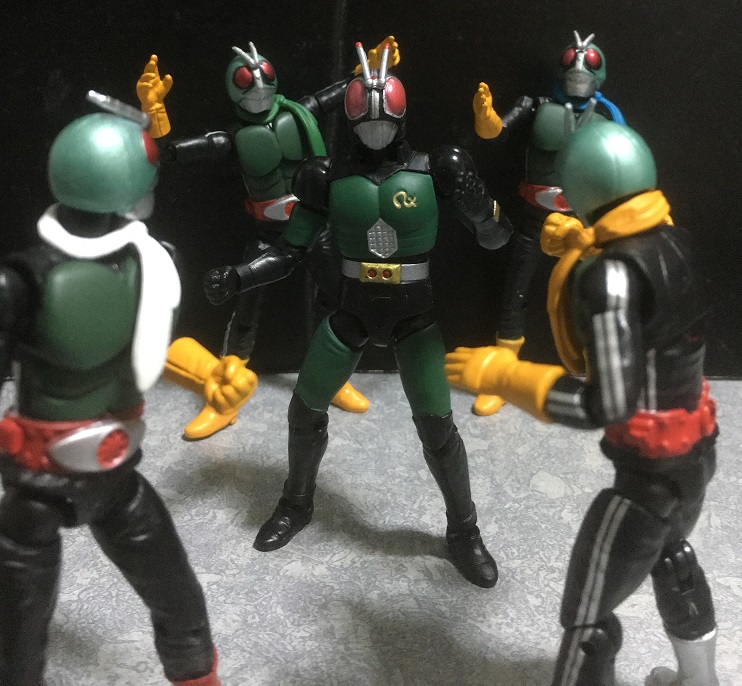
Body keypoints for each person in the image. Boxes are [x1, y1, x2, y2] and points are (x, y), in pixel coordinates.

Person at [203, 43, 512, 588]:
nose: (374, 124)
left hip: (415, 318)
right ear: (347, 115)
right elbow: (290, 252)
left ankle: (464, 529)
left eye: (384, 113)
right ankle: (296, 503)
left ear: (401, 112)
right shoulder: (323, 178)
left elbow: (495, 237)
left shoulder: (434, 169)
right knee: (304, 411)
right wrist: (240, 275)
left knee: (438, 430)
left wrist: (482, 208)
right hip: (350, 312)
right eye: (362, 114)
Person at [446, 121, 718, 685]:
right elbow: (655, 310)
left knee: (587, 616)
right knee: (673, 558)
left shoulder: (611, 277)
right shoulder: (677, 241)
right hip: (696, 456)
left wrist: (504, 376)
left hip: (647, 479)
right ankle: (701, 679)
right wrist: (581, 244)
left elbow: (607, 404)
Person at [0, 93, 220, 686]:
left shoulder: (152, 262)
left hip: (117, 475)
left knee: (181, 604)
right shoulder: (24, 282)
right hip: (36, 486)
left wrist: (209, 374)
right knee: (18, 643)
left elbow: (157, 344)